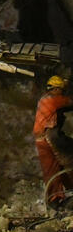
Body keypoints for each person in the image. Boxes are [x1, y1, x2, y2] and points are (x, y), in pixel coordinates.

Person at [34, 75, 73, 209]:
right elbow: (70, 102)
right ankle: (57, 198)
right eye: (61, 90)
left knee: (53, 168)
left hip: (42, 139)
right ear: (56, 89)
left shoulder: (44, 98)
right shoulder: (54, 100)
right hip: (48, 137)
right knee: (65, 162)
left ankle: (57, 198)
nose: (62, 93)